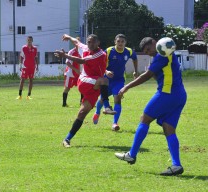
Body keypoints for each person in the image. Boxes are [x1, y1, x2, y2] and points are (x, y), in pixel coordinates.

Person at [114, 37, 187, 176]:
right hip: (180, 95)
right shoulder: (167, 54)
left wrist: (126, 87)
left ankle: (132, 154)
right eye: (145, 51)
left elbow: (146, 76)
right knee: (169, 128)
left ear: (155, 43)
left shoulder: (161, 55)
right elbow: (161, 74)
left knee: (145, 119)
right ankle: (176, 165)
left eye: (148, 49)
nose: (148, 53)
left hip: (167, 93)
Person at [55, 34, 116, 148]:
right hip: (85, 81)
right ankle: (106, 107)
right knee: (104, 81)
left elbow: (84, 61)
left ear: (98, 43)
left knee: (82, 113)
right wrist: (68, 37)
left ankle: (67, 139)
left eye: (93, 42)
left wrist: (65, 55)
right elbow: (77, 45)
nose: (90, 44)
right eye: (89, 42)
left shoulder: (100, 53)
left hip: (94, 86)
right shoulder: (85, 48)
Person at [93, 34, 138, 131]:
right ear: (115, 42)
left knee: (117, 99)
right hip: (106, 81)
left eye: (122, 42)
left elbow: (135, 58)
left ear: (125, 43)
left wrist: (136, 71)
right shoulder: (109, 51)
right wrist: (106, 71)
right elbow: (101, 63)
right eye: (118, 41)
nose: (120, 43)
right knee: (102, 99)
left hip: (119, 80)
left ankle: (115, 123)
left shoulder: (129, 51)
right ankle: (97, 112)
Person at [62, 37, 83, 107]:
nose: (77, 44)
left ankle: (82, 102)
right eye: (76, 42)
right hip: (71, 73)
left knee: (83, 87)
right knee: (67, 88)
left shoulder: (83, 51)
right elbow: (68, 63)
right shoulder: (71, 52)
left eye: (79, 42)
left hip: (80, 73)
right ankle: (64, 103)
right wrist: (75, 69)